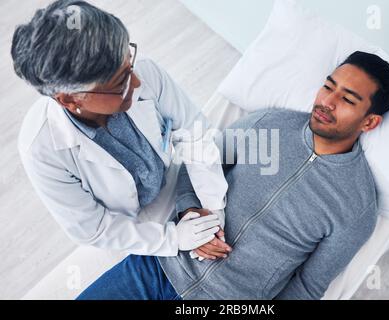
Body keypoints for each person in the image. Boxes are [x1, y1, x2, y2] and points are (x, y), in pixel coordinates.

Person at [77, 51, 389, 300]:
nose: (326, 102)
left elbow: (307, 286)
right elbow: (199, 157)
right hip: (160, 267)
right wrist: (190, 211)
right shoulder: (269, 124)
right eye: (328, 86)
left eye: (346, 99)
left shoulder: (356, 207)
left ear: (369, 122)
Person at [12, 0, 229, 256]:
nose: (136, 82)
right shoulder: (41, 148)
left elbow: (196, 135)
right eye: (120, 82)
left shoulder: (143, 72)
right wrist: (171, 239)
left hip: (172, 180)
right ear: (70, 99)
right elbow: (94, 228)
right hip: (133, 223)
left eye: (129, 64)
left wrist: (212, 211)